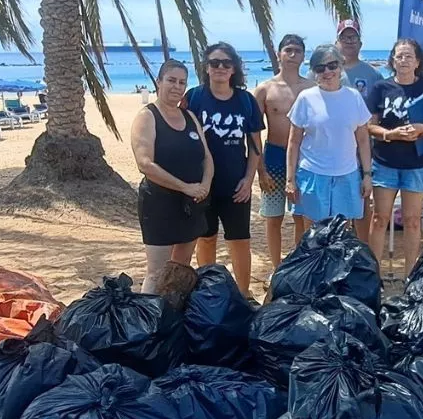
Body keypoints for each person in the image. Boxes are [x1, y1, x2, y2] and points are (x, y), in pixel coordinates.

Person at [185, 42, 264, 294]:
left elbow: (255, 145)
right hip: (202, 184)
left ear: (234, 69)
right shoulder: (194, 98)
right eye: (214, 63)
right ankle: (209, 292)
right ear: (206, 68)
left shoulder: (246, 100)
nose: (220, 67)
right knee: (206, 238)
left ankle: (243, 293)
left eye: (226, 63)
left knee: (239, 241)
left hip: (236, 184)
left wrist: (249, 179)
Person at [130, 59, 214, 294]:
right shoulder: (147, 117)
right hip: (159, 203)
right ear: (159, 82)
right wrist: (184, 187)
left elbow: (207, 156)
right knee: (157, 272)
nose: (177, 87)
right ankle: (148, 315)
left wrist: (205, 184)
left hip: (191, 204)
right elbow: (145, 164)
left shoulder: (189, 117)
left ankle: (173, 312)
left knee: (180, 268)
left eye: (182, 82)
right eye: (171, 80)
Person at [366, 38, 423, 280]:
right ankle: (373, 276)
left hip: (416, 164)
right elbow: (369, 126)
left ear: (417, 61)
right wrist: (390, 134)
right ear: (392, 60)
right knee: (380, 219)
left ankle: (410, 275)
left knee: (412, 221)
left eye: (409, 56)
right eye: (399, 56)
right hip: (385, 163)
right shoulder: (381, 87)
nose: (404, 60)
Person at [286, 44, 372, 232]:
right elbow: (293, 142)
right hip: (312, 174)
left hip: (347, 174)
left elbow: (363, 140)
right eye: (320, 68)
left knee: (341, 232)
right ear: (314, 72)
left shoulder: (354, 97)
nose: (327, 72)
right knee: (312, 233)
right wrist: (290, 180)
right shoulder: (305, 98)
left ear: (341, 66)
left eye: (332, 65)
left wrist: (367, 175)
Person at [254, 34, 314, 269]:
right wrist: (260, 169)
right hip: (274, 156)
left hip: (304, 158)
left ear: (303, 56)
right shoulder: (264, 89)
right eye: (288, 50)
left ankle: (298, 266)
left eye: (297, 51)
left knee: (302, 216)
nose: (292, 55)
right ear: (279, 54)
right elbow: (254, 133)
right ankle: (276, 267)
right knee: (273, 217)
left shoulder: (311, 88)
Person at [335, 19, 383, 244]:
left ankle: (362, 248)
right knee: (338, 203)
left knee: (363, 200)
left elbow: (381, 110)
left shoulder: (373, 74)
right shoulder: (327, 71)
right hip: (335, 147)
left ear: (360, 42)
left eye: (353, 37)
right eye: (344, 37)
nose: (349, 41)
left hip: (364, 147)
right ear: (337, 42)